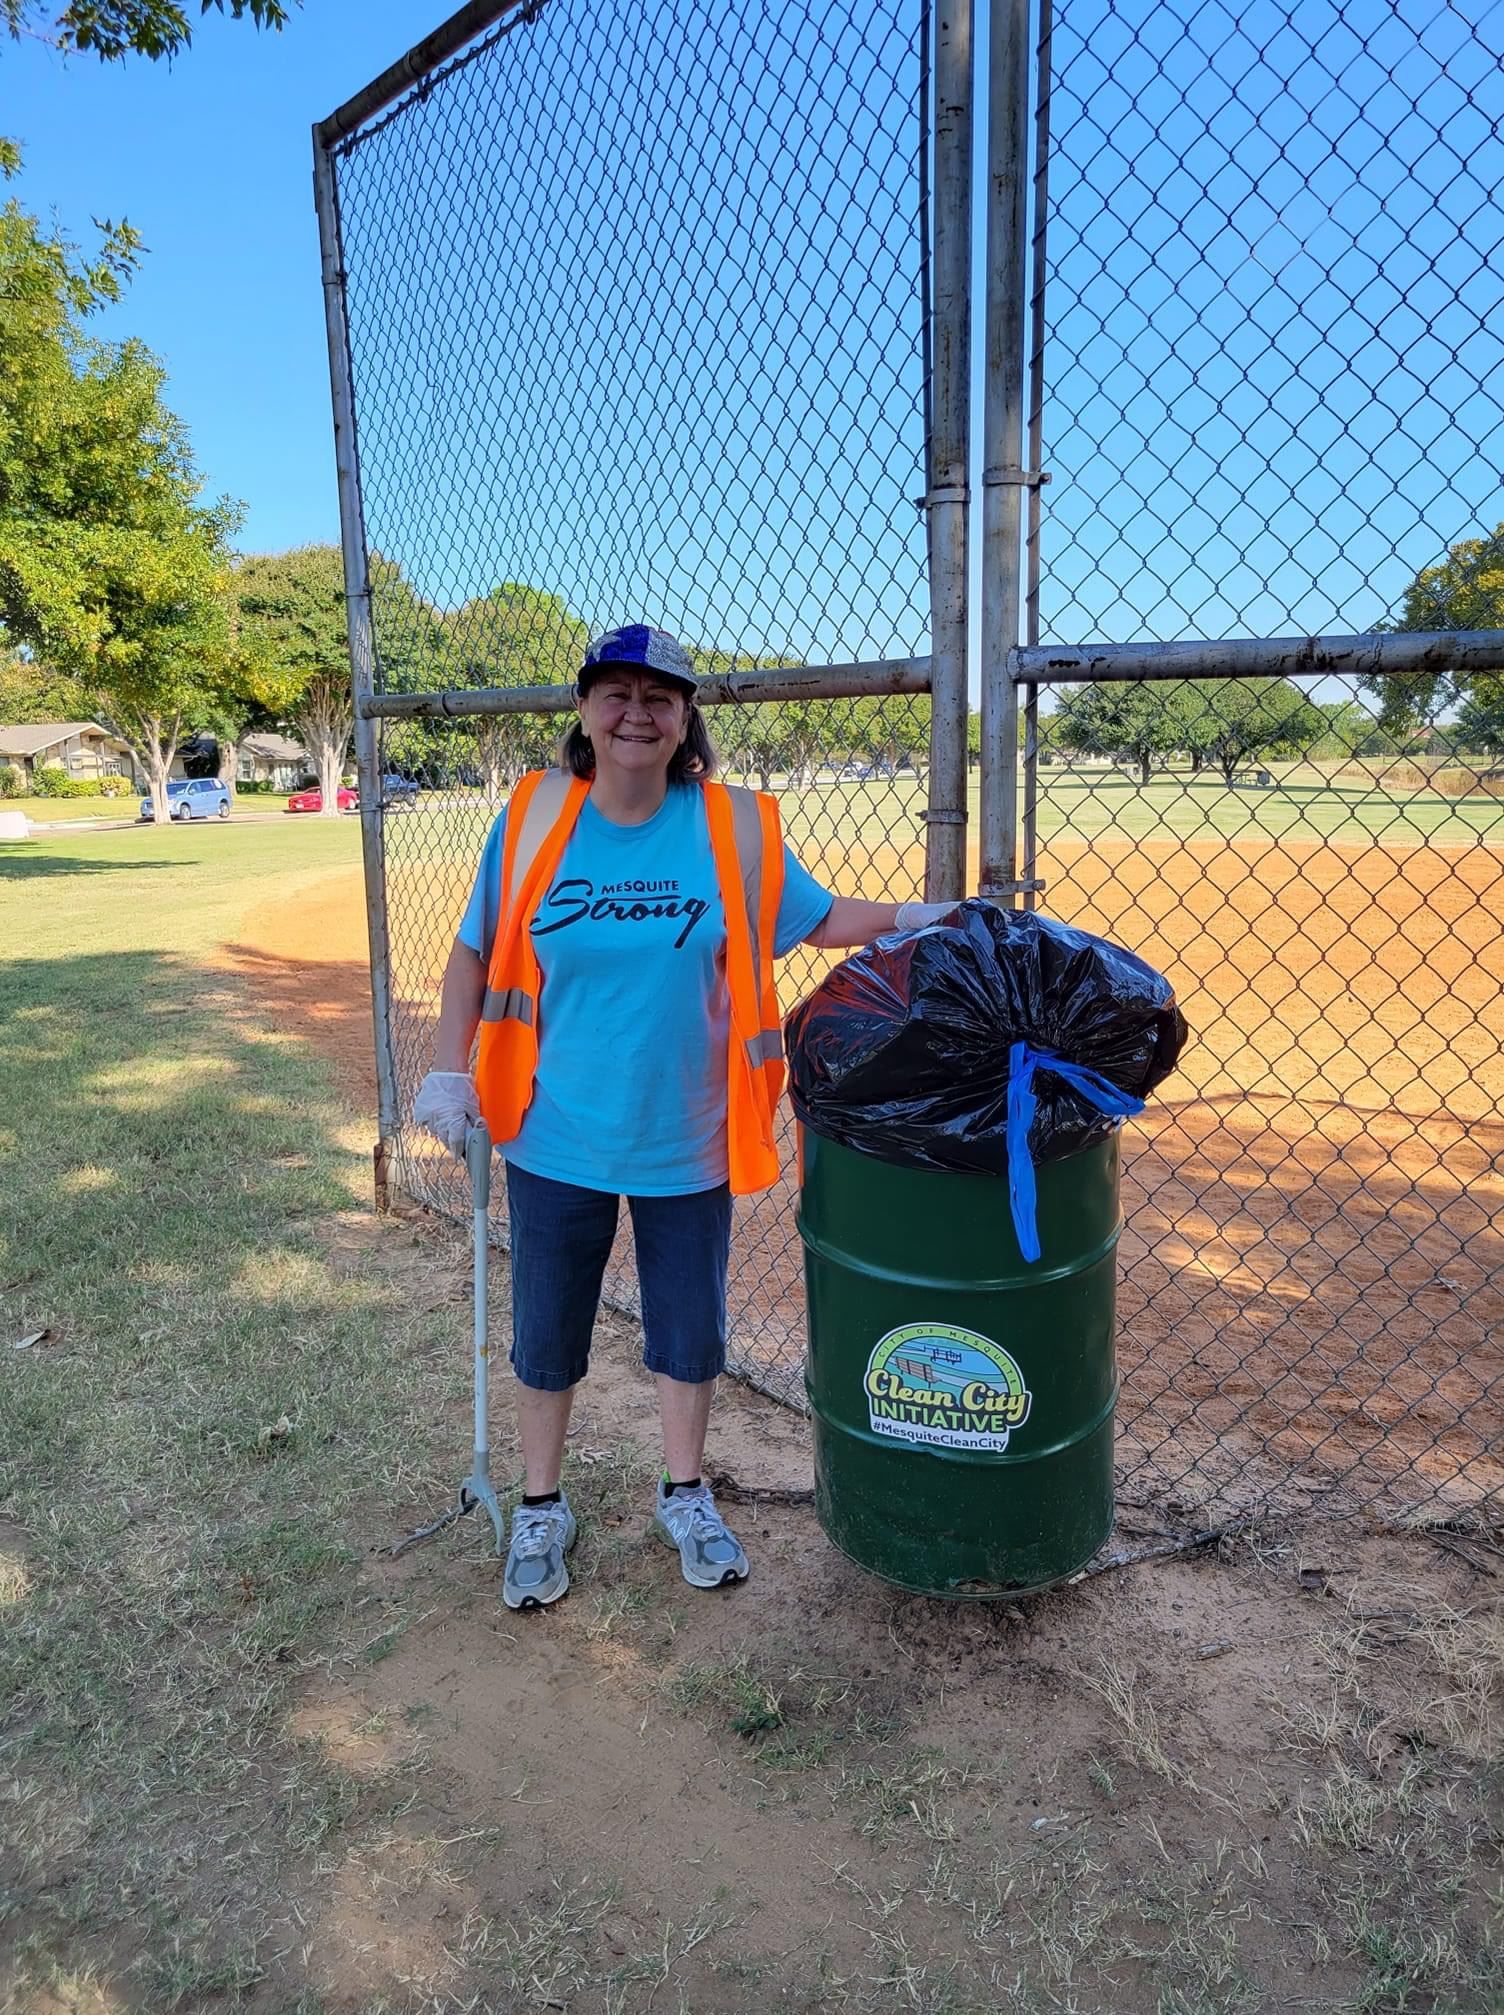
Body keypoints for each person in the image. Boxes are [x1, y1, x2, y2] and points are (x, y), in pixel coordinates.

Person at [413, 624, 951, 1610]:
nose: (636, 712)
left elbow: (820, 919)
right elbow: (471, 952)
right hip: (553, 1125)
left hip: (688, 1129)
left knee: (687, 1328)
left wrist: (913, 916)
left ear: (685, 719)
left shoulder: (729, 829)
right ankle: (540, 1501)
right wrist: (450, 1072)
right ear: (583, 711)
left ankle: (686, 1489)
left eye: (659, 697)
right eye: (615, 693)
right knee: (546, 1326)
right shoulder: (533, 818)